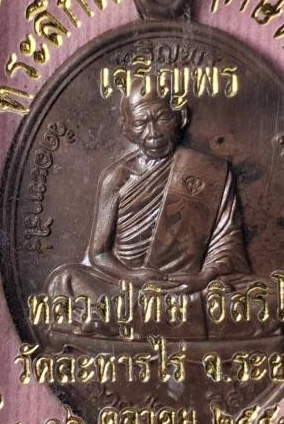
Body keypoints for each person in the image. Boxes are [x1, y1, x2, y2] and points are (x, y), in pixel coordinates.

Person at [46, 81, 262, 339]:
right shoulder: (116, 178)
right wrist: (131, 276)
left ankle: (119, 322)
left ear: (181, 117)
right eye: (141, 123)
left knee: (266, 298)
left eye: (162, 118)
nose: (153, 133)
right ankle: (161, 320)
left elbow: (227, 243)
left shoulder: (210, 171)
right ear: (126, 128)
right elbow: (99, 254)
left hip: (187, 287)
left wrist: (204, 277)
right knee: (64, 281)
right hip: (128, 286)